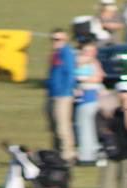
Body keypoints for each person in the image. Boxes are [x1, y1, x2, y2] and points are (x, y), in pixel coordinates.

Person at [45, 29, 77, 162]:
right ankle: (56, 153)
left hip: (62, 95)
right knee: (53, 126)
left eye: (59, 39)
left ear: (65, 40)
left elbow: (70, 74)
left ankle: (67, 154)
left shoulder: (67, 52)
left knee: (62, 126)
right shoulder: (55, 53)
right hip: (52, 94)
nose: (55, 42)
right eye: (53, 39)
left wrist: (64, 91)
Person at [74, 42, 105, 165]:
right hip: (83, 97)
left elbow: (98, 78)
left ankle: (87, 156)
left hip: (90, 97)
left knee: (87, 126)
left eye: (91, 51)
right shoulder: (80, 61)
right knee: (83, 126)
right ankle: (89, 152)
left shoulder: (94, 63)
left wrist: (81, 78)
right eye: (86, 51)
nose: (89, 54)